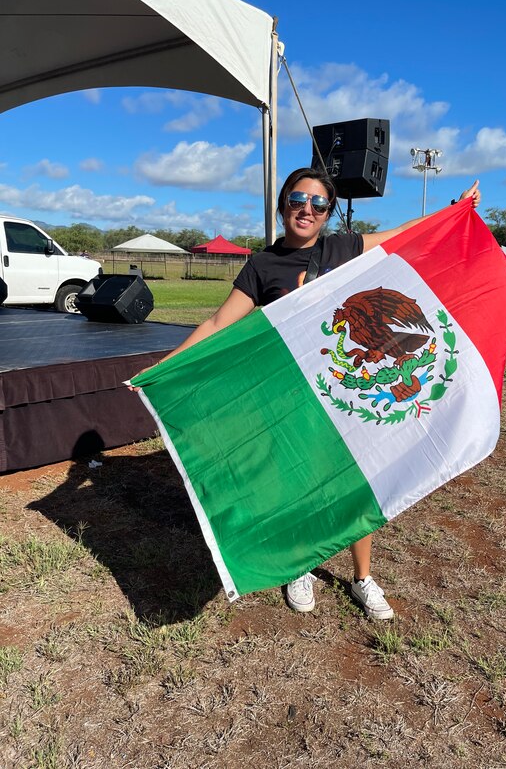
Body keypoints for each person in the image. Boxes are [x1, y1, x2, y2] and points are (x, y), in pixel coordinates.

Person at [136, 167, 480, 620]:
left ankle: (362, 577)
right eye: (299, 200)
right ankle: (301, 564)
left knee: (354, 481)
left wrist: (452, 212)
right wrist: (168, 362)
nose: (307, 210)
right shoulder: (262, 265)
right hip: (293, 393)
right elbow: (219, 324)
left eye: (319, 204)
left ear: (328, 213)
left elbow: (402, 235)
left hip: (342, 386)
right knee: (298, 479)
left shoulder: (343, 247)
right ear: (283, 205)